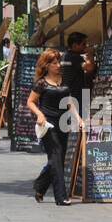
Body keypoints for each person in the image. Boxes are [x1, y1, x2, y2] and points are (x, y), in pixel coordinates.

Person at [28, 49, 85, 205]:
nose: (58, 65)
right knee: (56, 156)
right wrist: (39, 115)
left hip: (63, 124)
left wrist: (78, 118)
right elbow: (30, 102)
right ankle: (61, 196)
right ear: (46, 65)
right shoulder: (42, 83)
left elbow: (69, 102)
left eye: (59, 62)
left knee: (57, 159)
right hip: (48, 125)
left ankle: (40, 187)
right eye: (54, 63)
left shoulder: (64, 80)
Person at [62, 32, 96, 113]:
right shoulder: (75, 57)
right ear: (74, 45)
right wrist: (90, 53)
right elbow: (89, 67)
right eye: (83, 44)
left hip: (67, 94)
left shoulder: (65, 55)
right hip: (75, 96)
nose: (85, 47)